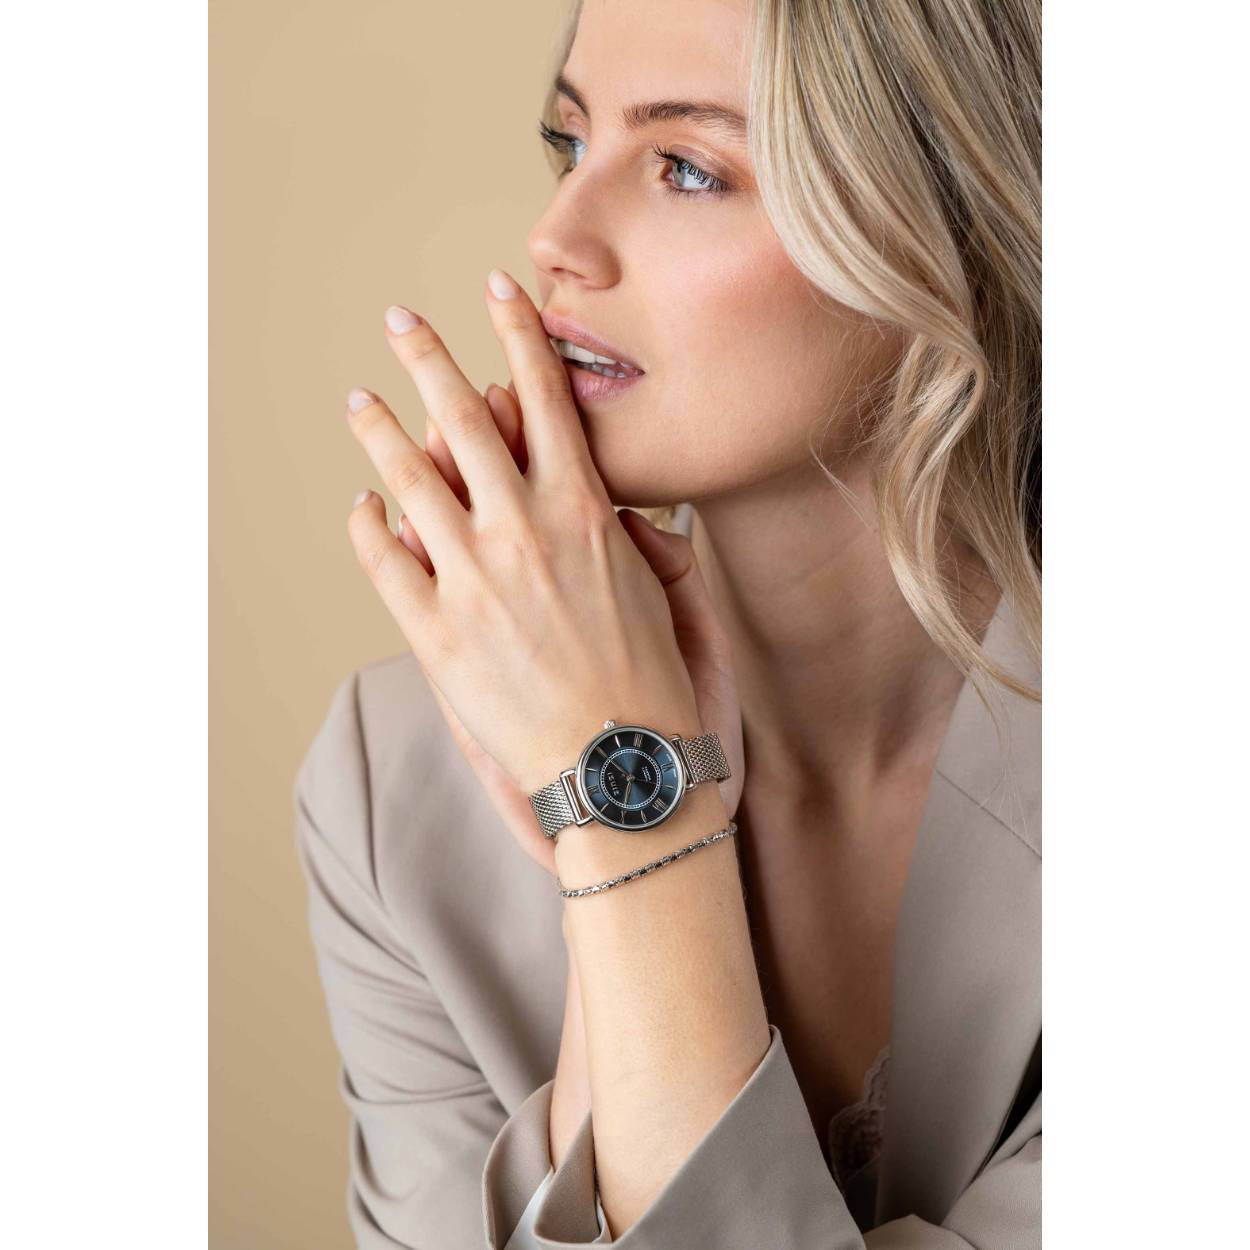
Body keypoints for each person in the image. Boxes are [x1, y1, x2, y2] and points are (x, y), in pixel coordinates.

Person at [295, 0, 1041, 1245]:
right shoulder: (392, 786)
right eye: (570, 142)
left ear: (946, 230)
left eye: (687, 167)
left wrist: (629, 822)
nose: (554, 238)